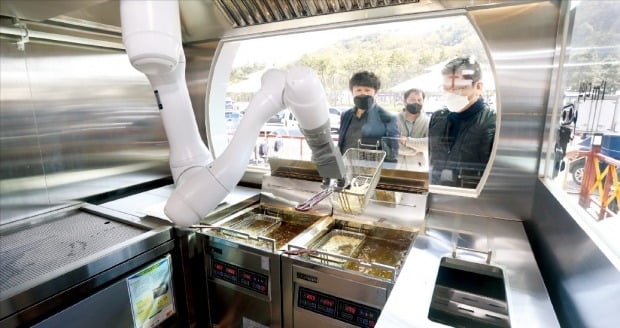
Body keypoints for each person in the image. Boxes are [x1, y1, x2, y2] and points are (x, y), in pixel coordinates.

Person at [428, 56, 496, 188]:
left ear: (478, 86)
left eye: (459, 88)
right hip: (437, 194)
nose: (450, 94)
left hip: (472, 200)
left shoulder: (492, 124)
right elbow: (433, 161)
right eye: (446, 88)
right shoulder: (438, 118)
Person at [338, 71, 399, 162]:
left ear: (375, 93)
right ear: (352, 92)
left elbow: (392, 155)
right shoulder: (346, 115)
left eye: (367, 90)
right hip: (345, 170)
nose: (363, 94)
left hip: (371, 172)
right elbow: (341, 144)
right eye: (358, 90)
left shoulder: (387, 118)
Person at [396, 88, 429, 170]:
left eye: (419, 100)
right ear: (405, 101)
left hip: (417, 168)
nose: (416, 102)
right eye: (412, 99)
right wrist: (416, 150)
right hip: (394, 166)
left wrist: (406, 141)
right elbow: (390, 144)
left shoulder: (428, 121)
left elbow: (429, 144)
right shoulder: (393, 120)